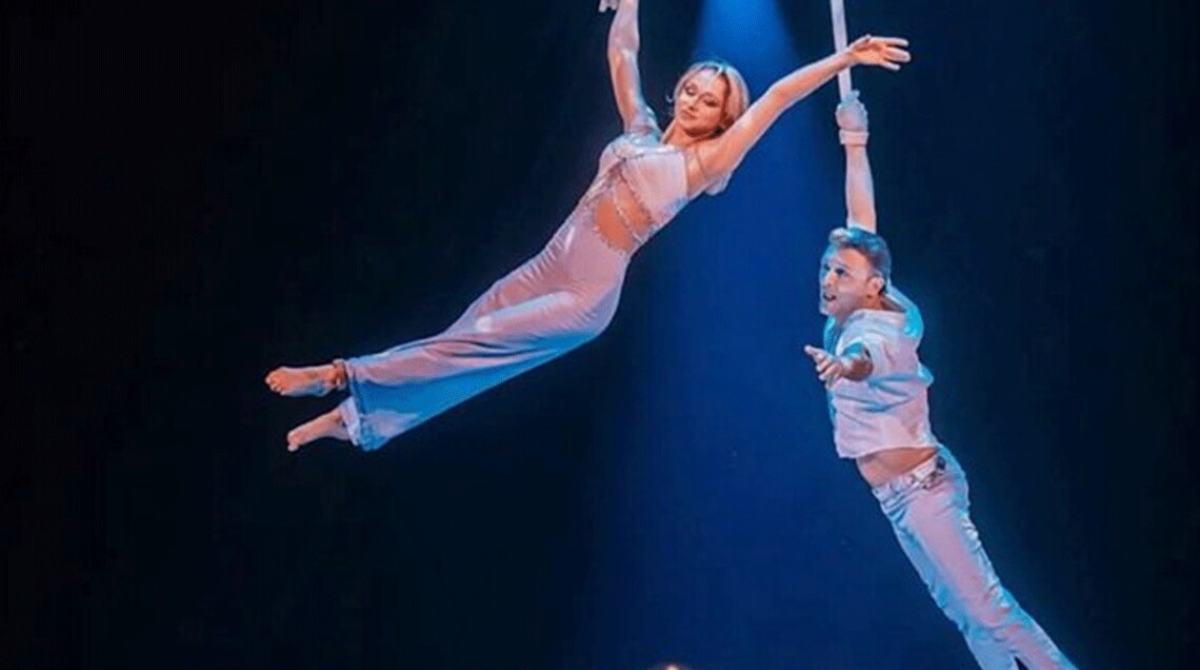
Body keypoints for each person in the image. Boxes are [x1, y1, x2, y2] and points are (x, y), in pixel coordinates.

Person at [265, 0, 910, 452]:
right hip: (549, 264)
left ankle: (340, 373)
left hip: (584, 296)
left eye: (710, 101)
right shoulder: (640, 132)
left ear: (722, 117)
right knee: (464, 341)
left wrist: (842, 58)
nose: (694, 100)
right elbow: (624, 55)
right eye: (691, 89)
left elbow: (775, 98)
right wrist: (629, 3)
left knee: (476, 340)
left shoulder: (704, 164)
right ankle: (359, 422)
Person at [801, 91, 1081, 670]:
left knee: (992, 611)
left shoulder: (879, 334)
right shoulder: (869, 297)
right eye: (827, 268)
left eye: (840, 273)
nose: (828, 278)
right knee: (965, 614)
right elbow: (861, 220)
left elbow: (864, 360)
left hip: (923, 492)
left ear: (872, 285)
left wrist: (842, 368)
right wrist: (855, 140)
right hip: (898, 496)